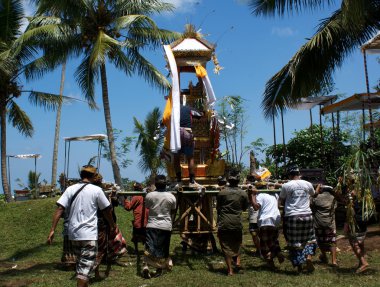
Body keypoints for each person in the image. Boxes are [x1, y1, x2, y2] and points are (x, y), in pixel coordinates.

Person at [47, 165, 117, 287]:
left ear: (81, 175)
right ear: (94, 176)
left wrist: (52, 229)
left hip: (73, 235)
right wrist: (112, 224)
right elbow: (107, 210)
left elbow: (60, 208)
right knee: (84, 271)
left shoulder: (70, 189)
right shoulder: (96, 191)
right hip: (89, 235)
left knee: (82, 266)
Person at [279, 165, 318, 273]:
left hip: (292, 216)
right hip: (307, 215)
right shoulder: (307, 184)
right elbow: (313, 195)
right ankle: (309, 258)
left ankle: (300, 265)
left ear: (290, 175)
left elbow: (281, 200)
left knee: (294, 242)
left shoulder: (286, 185)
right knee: (310, 239)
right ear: (299, 174)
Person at [143, 175, 177, 279]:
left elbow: (147, 206)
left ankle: (146, 266)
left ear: (155, 184)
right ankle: (159, 269)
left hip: (152, 225)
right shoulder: (171, 196)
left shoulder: (150, 195)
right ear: (166, 184)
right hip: (166, 226)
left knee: (149, 248)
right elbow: (173, 210)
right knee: (163, 249)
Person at [216, 169, 249, 276]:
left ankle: (230, 270)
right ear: (238, 181)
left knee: (225, 246)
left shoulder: (222, 193)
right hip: (236, 223)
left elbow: (218, 208)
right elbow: (244, 208)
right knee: (237, 243)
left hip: (224, 223)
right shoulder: (243, 194)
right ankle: (237, 263)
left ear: (228, 180)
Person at [173, 95, 203, 189]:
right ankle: (192, 181)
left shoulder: (171, 110)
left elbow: (163, 122)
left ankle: (179, 181)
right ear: (183, 101)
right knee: (190, 157)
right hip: (187, 132)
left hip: (176, 134)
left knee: (176, 157)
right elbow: (200, 115)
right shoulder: (188, 108)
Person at [250, 188, 284, 269]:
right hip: (275, 219)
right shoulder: (274, 195)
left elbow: (256, 207)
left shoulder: (260, 195)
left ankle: (273, 255)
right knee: (273, 240)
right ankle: (277, 253)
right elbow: (278, 205)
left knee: (264, 245)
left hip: (265, 220)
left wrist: (253, 195)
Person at [310, 185, 338, 267]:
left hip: (319, 224)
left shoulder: (317, 197)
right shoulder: (333, 198)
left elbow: (310, 203)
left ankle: (324, 256)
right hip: (330, 225)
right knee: (332, 242)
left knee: (320, 241)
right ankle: (334, 261)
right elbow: (335, 207)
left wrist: (316, 190)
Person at [124, 182, 149, 254]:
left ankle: (136, 250)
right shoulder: (146, 196)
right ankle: (146, 250)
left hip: (138, 220)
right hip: (146, 220)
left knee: (135, 236)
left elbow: (128, 207)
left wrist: (125, 199)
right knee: (146, 236)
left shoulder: (136, 197)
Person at [246, 175, 261, 258]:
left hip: (255, 210)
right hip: (255, 209)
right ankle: (260, 249)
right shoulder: (254, 186)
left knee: (254, 232)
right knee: (255, 231)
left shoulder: (251, 186)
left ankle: (260, 250)